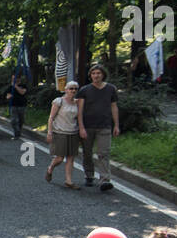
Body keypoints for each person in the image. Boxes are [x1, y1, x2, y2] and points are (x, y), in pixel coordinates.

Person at [77, 63, 120, 191]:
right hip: (88, 126)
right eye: (94, 73)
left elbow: (114, 107)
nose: (96, 75)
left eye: (98, 73)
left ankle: (104, 180)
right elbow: (80, 110)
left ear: (103, 75)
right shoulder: (84, 90)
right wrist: (81, 127)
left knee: (104, 153)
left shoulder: (111, 89)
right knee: (87, 153)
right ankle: (89, 175)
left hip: (104, 125)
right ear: (90, 75)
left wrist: (116, 125)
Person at [45, 81, 82, 188]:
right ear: (66, 90)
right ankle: (50, 168)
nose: (73, 91)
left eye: (75, 89)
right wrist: (49, 132)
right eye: (71, 88)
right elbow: (51, 117)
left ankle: (69, 180)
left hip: (73, 132)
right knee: (60, 158)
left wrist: (80, 131)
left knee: (71, 157)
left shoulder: (77, 103)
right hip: (60, 132)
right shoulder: (59, 101)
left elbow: (78, 118)